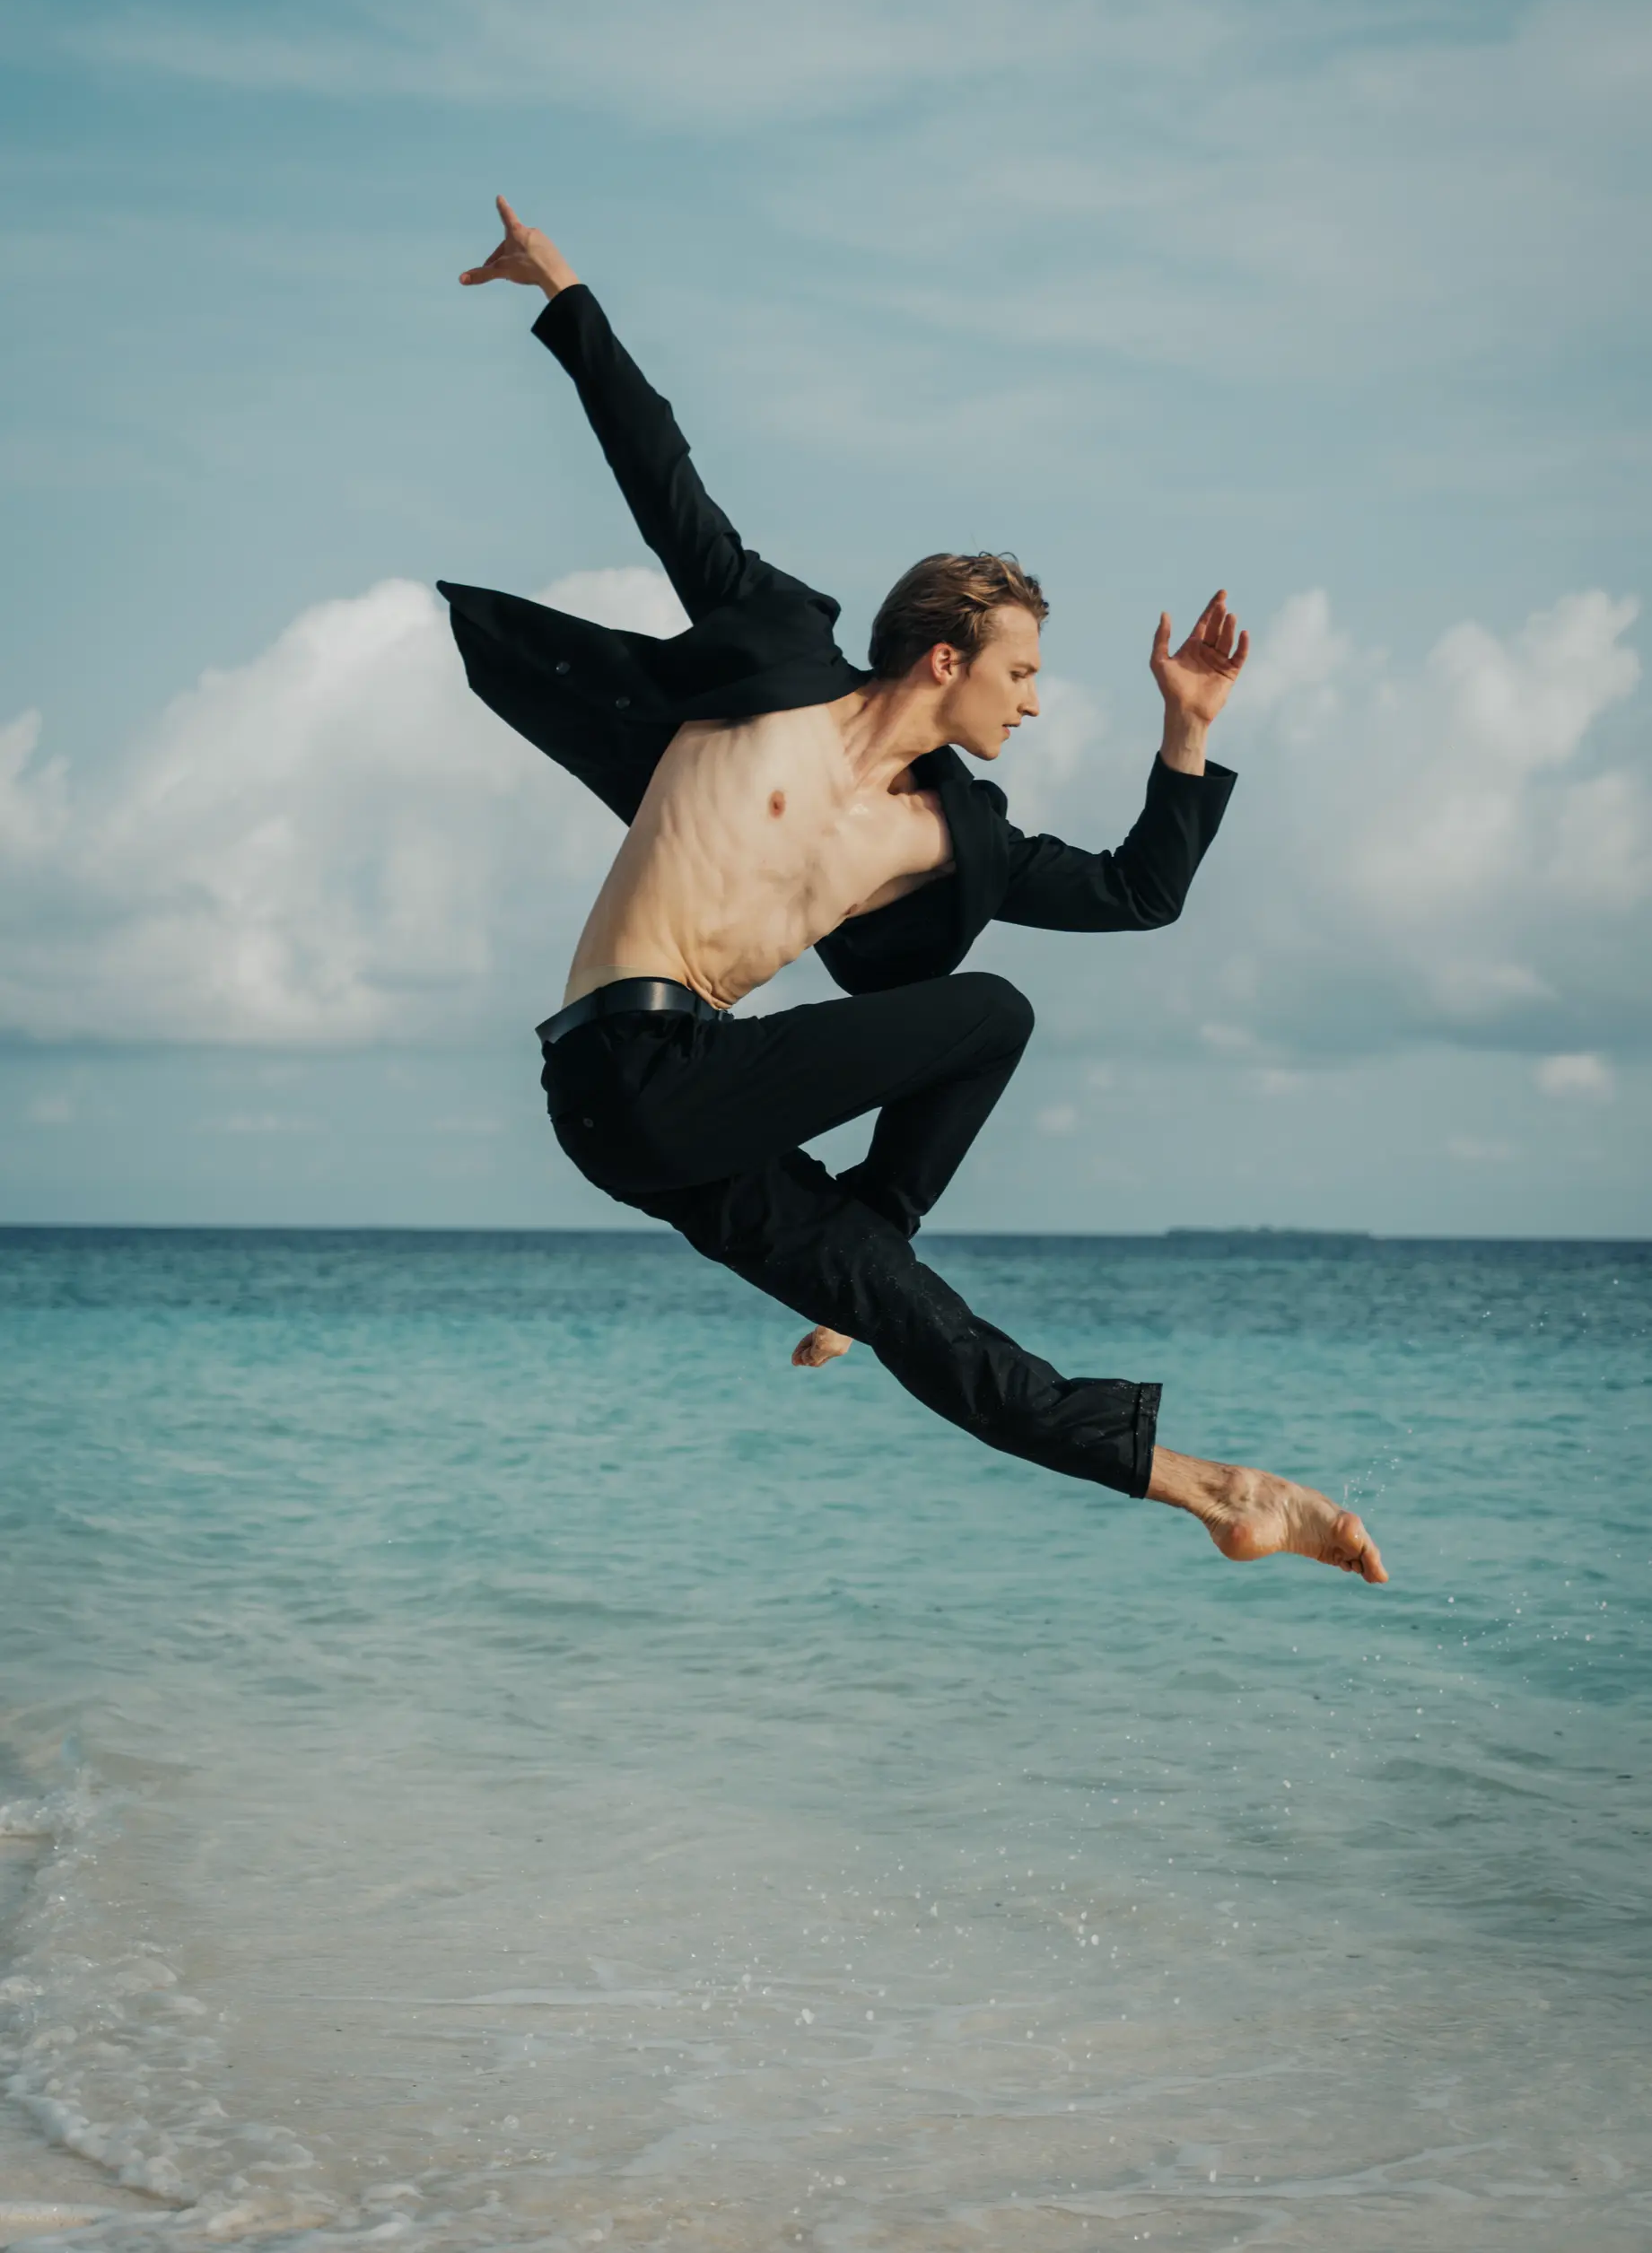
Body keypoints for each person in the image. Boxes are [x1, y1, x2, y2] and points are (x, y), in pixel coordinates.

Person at [441, 197, 1387, 1585]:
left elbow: (1137, 891)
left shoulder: (952, 843)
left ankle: (1215, 1491)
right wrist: (562, 288)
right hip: (619, 1072)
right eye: (1022, 673)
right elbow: (662, 473)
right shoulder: (773, 652)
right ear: (943, 658)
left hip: (697, 1102)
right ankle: (877, 1219)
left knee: (917, 1322)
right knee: (988, 1010)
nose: (1037, 703)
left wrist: (1186, 734)